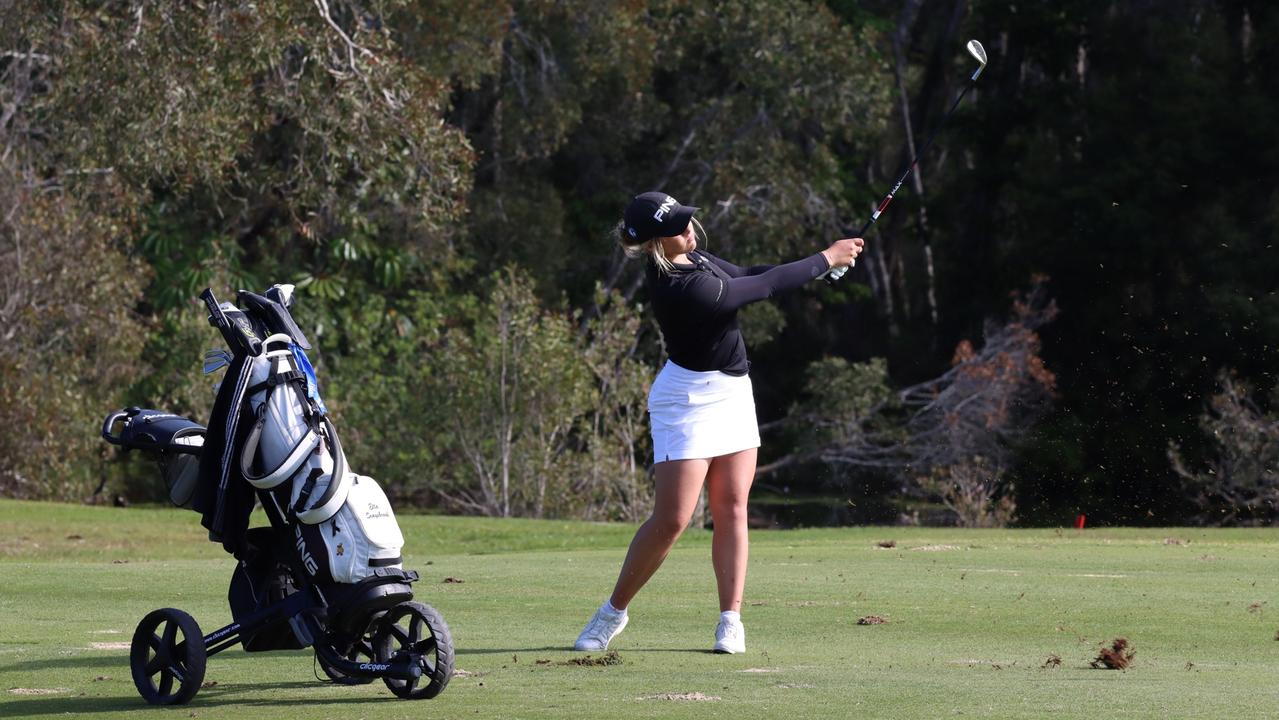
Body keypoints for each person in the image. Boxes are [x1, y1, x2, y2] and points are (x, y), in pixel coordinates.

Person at [574, 191, 863, 654]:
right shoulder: (682, 289)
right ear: (654, 244)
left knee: (732, 505)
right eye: (677, 228)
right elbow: (761, 290)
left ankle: (731, 620)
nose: (689, 229)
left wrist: (822, 266)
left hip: (732, 391)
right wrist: (824, 257)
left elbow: (750, 274)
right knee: (673, 519)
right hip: (686, 399)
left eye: (687, 221)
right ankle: (612, 613)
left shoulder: (697, 260)